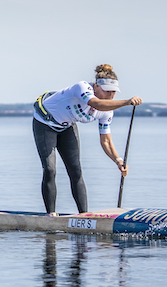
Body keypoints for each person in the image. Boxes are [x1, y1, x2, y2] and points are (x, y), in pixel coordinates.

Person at [32, 64, 142, 215]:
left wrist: (118, 161)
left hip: (66, 126)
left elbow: (106, 141)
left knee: (76, 171)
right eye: (107, 91)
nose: (111, 96)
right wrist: (126, 102)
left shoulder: (107, 112)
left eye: (114, 92)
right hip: (44, 123)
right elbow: (96, 103)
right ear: (96, 86)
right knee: (50, 169)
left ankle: (84, 216)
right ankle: (51, 215)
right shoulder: (82, 87)